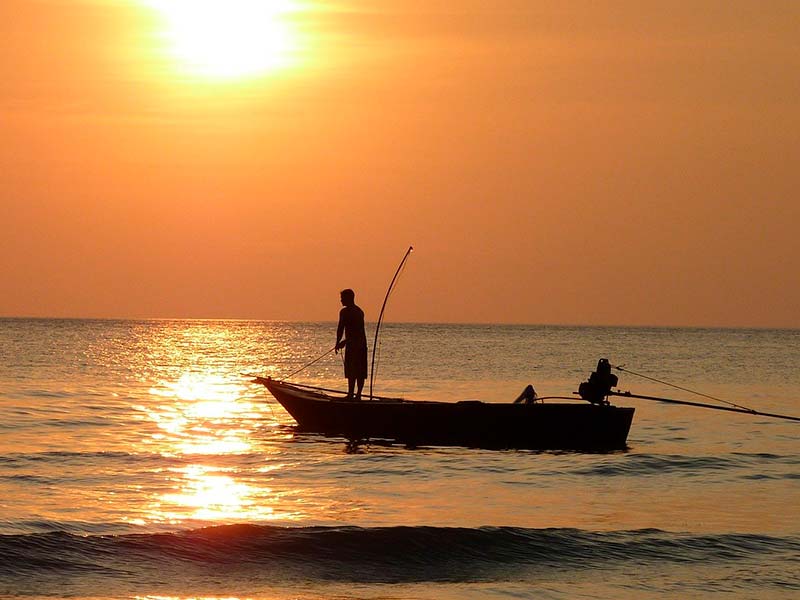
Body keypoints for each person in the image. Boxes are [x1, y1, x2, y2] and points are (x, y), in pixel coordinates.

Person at [335, 288, 368, 400]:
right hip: (352, 345)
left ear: (349, 298)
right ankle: (351, 394)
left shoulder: (357, 312)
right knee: (351, 370)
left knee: (359, 371)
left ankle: (357, 395)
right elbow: (340, 328)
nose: (341, 301)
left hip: (359, 345)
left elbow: (357, 332)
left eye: (342, 298)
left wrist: (343, 341)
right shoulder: (344, 312)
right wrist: (337, 342)